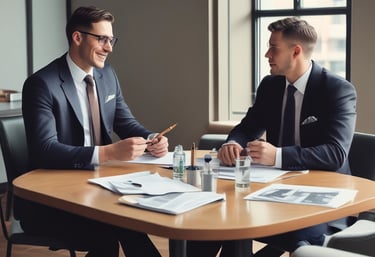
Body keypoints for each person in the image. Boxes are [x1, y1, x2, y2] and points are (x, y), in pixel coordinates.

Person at [187, 17, 357, 257]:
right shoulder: (270, 85)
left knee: (284, 237)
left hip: (322, 200)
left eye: (273, 47)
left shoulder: (337, 89)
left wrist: (276, 155)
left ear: (296, 51)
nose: (266, 54)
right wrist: (233, 142)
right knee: (207, 228)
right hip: (271, 192)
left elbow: (335, 154)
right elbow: (248, 127)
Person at [18, 6, 169, 257]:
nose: (109, 47)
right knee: (117, 228)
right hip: (55, 198)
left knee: (130, 218)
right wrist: (108, 153)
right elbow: (45, 150)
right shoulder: (42, 84)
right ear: (77, 37)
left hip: (102, 187)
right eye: (102, 39)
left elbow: (126, 123)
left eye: (111, 40)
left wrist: (153, 138)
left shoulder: (107, 75)